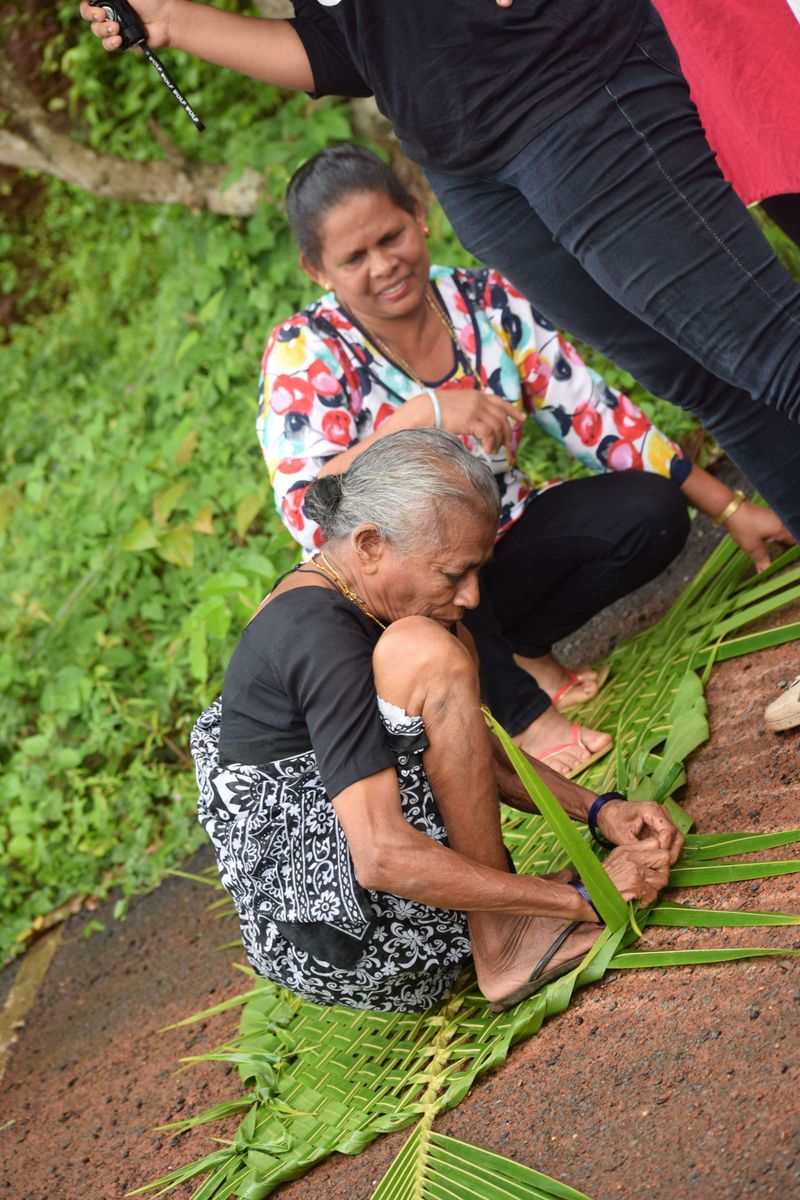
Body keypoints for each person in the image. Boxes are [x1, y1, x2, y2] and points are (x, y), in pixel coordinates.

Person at [80, 0, 800, 543]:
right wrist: (170, 18)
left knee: (767, 348)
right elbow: (343, 51)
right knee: (700, 379)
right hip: (467, 161)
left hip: (568, 88)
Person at [257, 145, 792, 776]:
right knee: (423, 559)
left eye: (391, 236)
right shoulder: (306, 352)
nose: (384, 265)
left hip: (494, 544)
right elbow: (308, 511)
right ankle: (526, 718)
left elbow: (592, 412)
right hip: (399, 593)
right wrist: (423, 414)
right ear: (318, 270)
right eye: (354, 258)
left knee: (651, 513)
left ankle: (519, 649)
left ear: (419, 212)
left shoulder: (483, 301)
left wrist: (728, 508)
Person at [191, 429, 680, 1013]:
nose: (472, 594)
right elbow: (380, 855)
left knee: (442, 639)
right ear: (369, 544)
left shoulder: (373, 595)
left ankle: (506, 923)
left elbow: (470, 751)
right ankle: (503, 943)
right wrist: (581, 902)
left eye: (478, 570)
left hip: (385, 901)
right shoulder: (316, 633)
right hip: (343, 942)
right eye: (454, 574)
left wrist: (602, 811)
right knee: (428, 648)